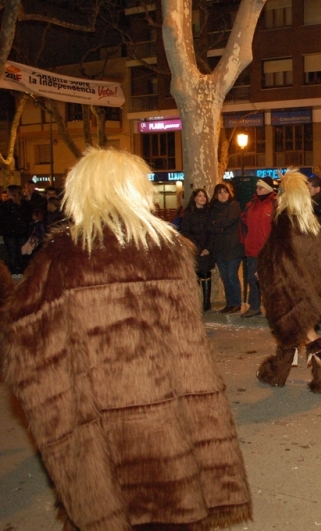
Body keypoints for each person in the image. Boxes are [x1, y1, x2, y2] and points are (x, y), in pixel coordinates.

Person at [1, 147, 251, 530]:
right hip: (168, 415)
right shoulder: (170, 250)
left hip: (102, 416)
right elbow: (190, 349)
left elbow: (28, 348)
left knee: (114, 507)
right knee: (171, 506)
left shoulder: (65, 255)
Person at [255, 170, 321, 394]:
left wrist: (264, 272)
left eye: (279, 191)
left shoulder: (285, 220)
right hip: (310, 286)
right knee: (291, 332)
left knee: (306, 332)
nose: (276, 195)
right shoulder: (309, 221)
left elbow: (275, 254)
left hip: (292, 287)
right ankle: (275, 373)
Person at [240, 178, 278, 318]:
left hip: (269, 251)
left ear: (268, 189)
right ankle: (254, 307)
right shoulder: (250, 205)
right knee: (252, 279)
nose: (257, 190)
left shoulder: (275, 204)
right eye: (257, 188)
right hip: (252, 250)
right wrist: (245, 240)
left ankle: (272, 309)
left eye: (260, 188)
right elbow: (243, 224)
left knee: (269, 282)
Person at [209, 182, 245, 313]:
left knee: (231, 276)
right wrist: (219, 225)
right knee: (225, 277)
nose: (223, 195)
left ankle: (236, 303)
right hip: (219, 249)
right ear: (216, 195)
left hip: (233, 247)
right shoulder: (212, 208)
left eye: (225, 192)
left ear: (230, 193)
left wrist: (217, 224)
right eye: (220, 192)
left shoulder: (234, 205)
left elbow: (230, 221)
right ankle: (229, 304)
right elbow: (211, 226)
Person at [180, 188, 215, 311]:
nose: (202, 198)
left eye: (204, 196)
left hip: (206, 249)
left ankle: (206, 303)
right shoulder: (188, 213)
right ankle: (195, 302)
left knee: (206, 273)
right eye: (199, 196)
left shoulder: (209, 212)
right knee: (195, 275)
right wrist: (197, 248)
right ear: (194, 198)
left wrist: (208, 248)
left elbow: (212, 232)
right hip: (194, 249)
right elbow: (185, 232)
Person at [0, 185, 29, 276]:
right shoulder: (7, 205)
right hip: (15, 232)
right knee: (15, 252)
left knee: (16, 252)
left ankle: (17, 270)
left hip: (15, 232)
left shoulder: (9, 205)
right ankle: (17, 269)